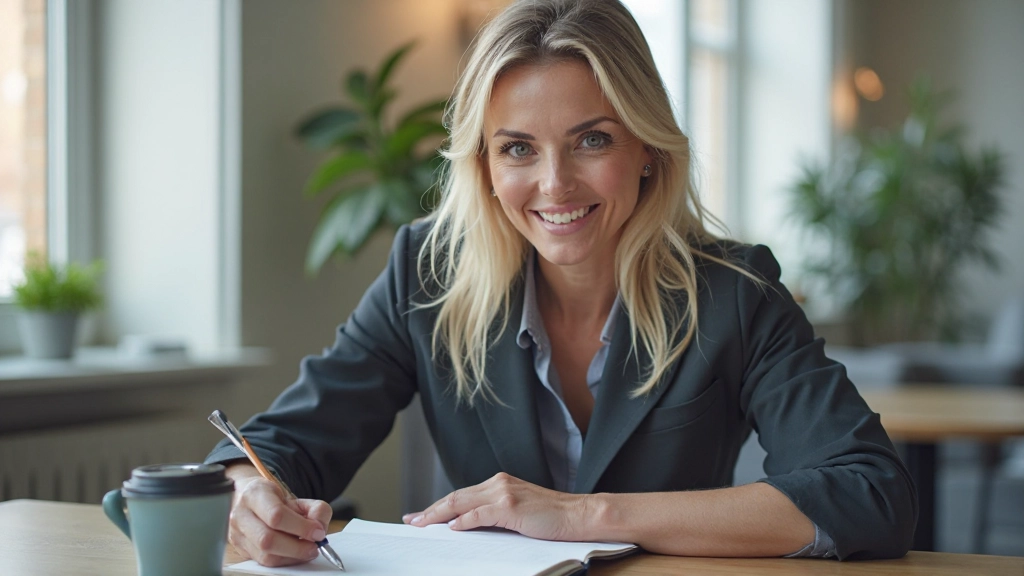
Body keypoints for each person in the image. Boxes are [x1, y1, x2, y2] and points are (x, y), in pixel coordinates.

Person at [206, 0, 917, 566]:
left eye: (593, 139)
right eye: (518, 148)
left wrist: (586, 516)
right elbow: (281, 446)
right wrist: (246, 495)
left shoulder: (734, 291)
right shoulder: (426, 276)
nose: (554, 185)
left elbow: (869, 492)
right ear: (483, 166)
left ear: (646, 149)